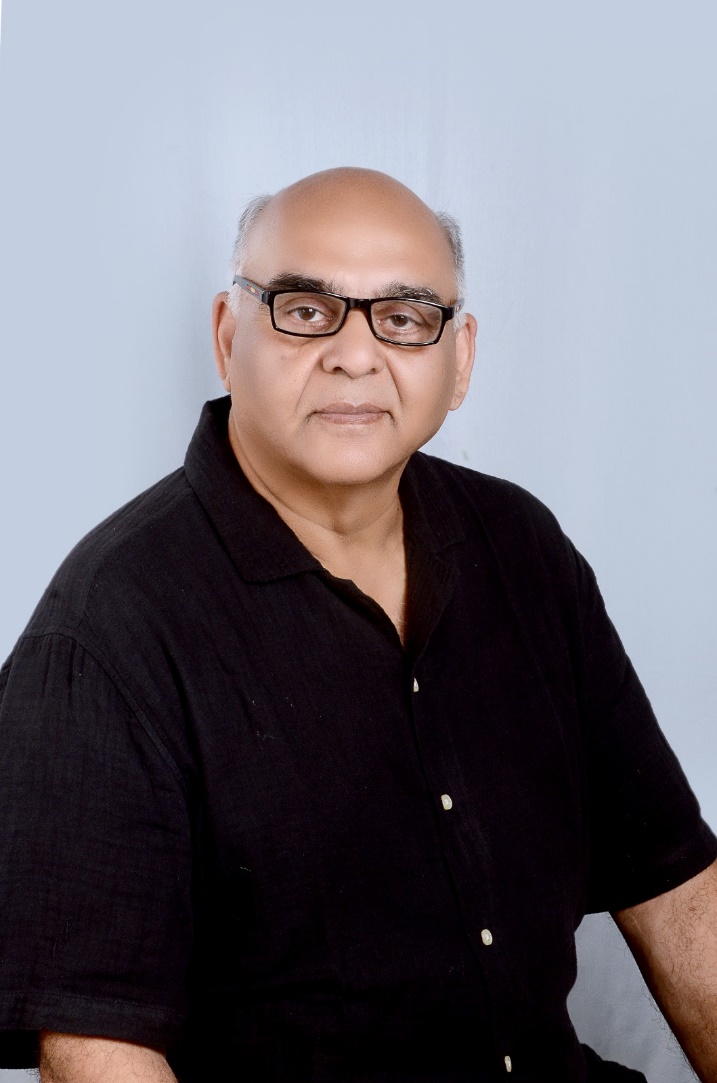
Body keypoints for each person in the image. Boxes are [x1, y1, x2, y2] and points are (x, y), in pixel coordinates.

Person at [0, 167, 715, 1083]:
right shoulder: (106, 632)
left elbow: (676, 891)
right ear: (227, 336)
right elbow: (96, 1053)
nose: (354, 355)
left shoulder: (521, 547)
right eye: (305, 310)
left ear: (459, 359)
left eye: (404, 318)